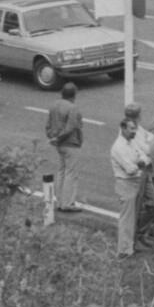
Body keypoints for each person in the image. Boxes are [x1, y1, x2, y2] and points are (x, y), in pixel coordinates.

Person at [43, 86, 86, 228]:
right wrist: (61, 137)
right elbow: (72, 127)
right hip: (70, 144)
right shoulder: (73, 108)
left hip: (59, 145)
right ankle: (67, 203)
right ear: (74, 95)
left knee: (61, 171)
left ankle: (60, 200)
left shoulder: (54, 105)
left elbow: (48, 125)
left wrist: (53, 137)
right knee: (71, 173)